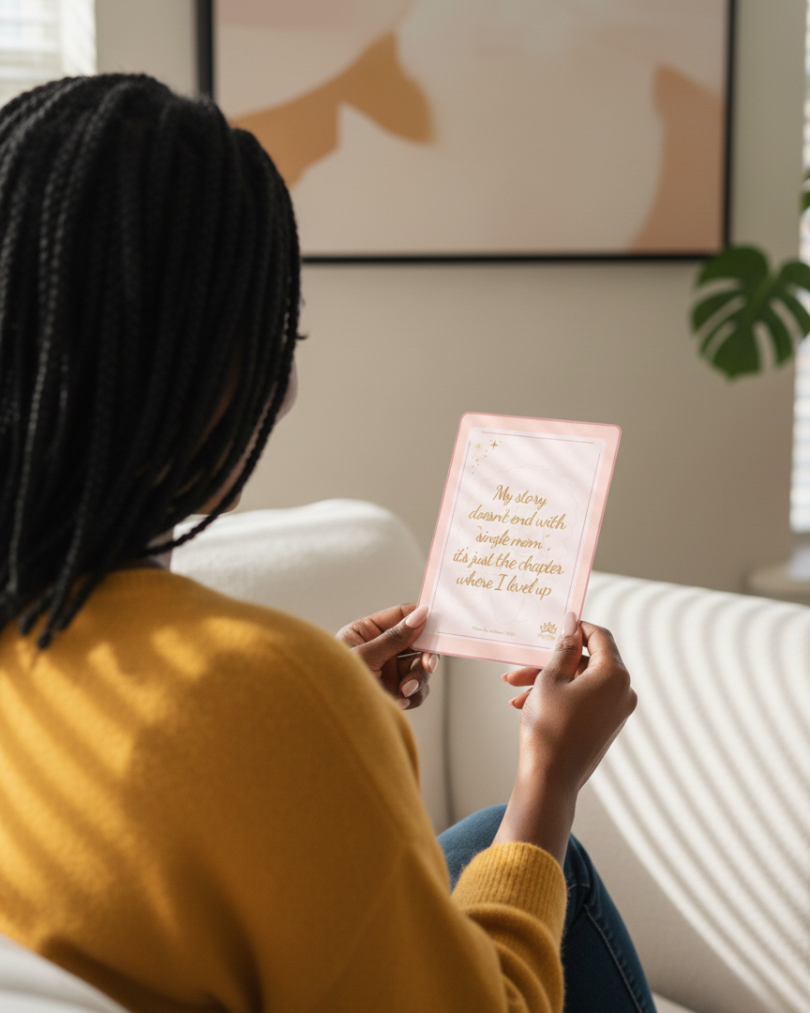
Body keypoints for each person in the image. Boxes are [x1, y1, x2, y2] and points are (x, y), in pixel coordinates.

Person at [0, 74, 653, 1013]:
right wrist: (550, 777)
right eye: (276, 340)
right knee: (558, 867)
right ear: (209, 376)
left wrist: (328, 713)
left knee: (472, 841)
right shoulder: (260, 695)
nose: (288, 388)